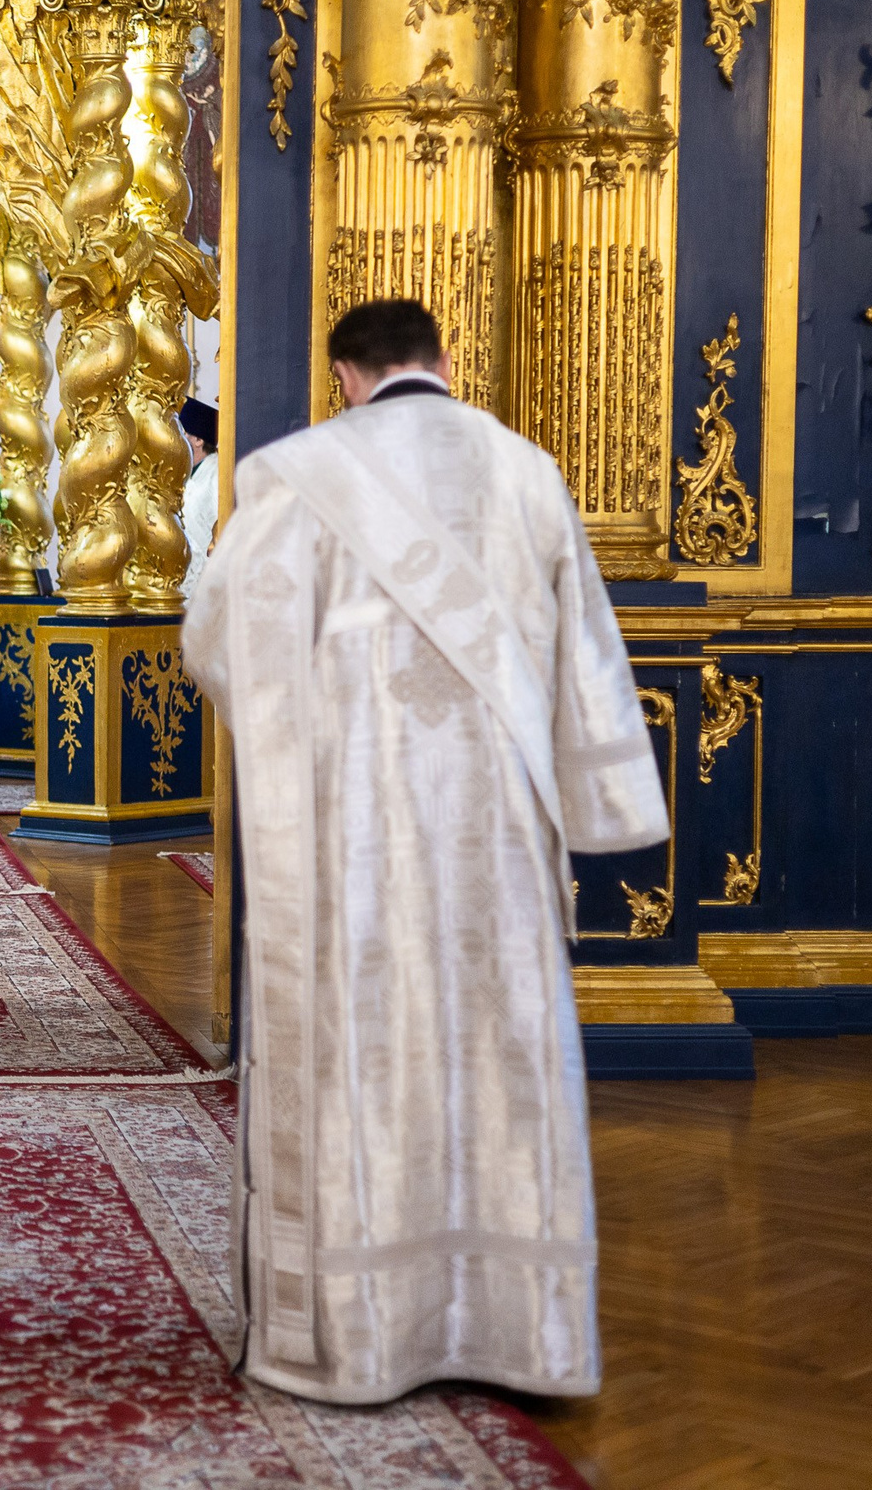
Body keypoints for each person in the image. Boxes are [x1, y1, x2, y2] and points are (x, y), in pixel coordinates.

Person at [183, 299, 667, 1405]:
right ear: (444, 361)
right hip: (500, 835)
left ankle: (370, 1334)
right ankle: (518, 1333)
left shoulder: (298, 476)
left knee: (368, 1049)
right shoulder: (528, 473)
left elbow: (216, 639)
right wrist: (596, 802)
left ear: (344, 376)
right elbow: (588, 654)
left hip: (356, 832)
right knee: (500, 1049)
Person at [179, 395, 220, 585]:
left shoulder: (216, 472)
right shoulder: (185, 473)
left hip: (207, 578)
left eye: (183, 433)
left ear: (197, 440)